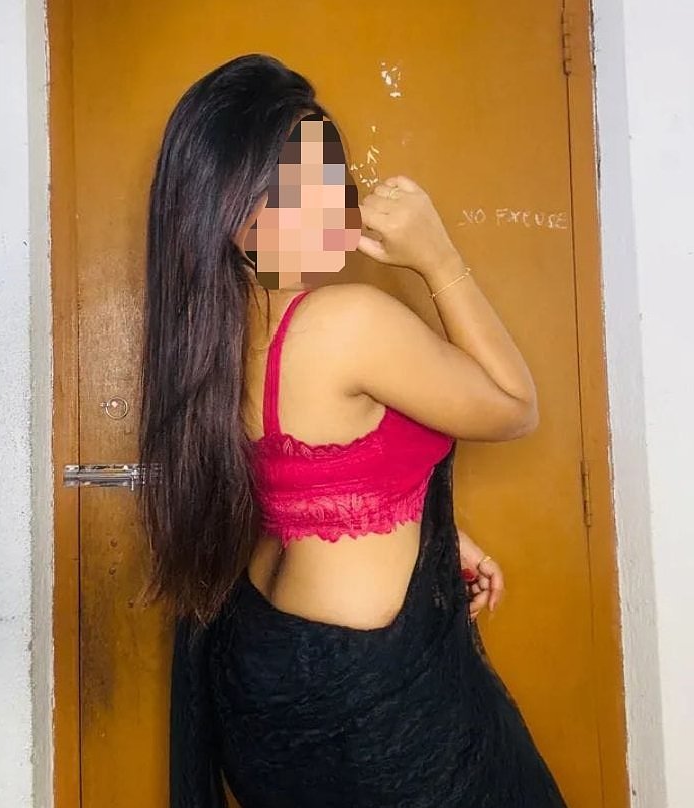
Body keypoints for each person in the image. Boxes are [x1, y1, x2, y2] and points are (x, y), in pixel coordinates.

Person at [137, 53, 569, 807]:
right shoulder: (346, 322)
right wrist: (439, 258)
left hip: (261, 665)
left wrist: (428, 533)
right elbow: (514, 406)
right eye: (299, 184)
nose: (336, 197)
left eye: (331, 169)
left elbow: (303, 477)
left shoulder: (222, 333)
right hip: (361, 699)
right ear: (236, 218)